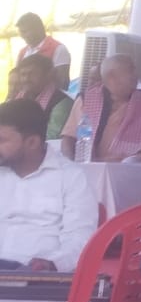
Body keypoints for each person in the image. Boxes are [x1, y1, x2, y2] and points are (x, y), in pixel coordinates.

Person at [0, 98, 97, 271]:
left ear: (32, 142)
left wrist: (53, 264)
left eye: (1, 140)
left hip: (36, 274)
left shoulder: (71, 177)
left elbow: (79, 238)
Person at [60, 54, 141, 161]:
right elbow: (68, 138)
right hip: (89, 166)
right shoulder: (86, 99)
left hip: (130, 167)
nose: (136, 75)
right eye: (131, 70)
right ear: (112, 76)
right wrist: (70, 163)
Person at [10, 54, 71, 141]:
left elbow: (52, 138)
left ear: (48, 75)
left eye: (32, 74)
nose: (26, 79)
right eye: (23, 75)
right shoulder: (20, 97)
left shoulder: (62, 103)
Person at [15, 13, 72, 91]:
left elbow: (63, 82)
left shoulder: (58, 48)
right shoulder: (22, 52)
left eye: (24, 31)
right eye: (20, 32)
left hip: (49, 97)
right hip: (26, 97)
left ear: (38, 29)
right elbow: (17, 81)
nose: (22, 35)